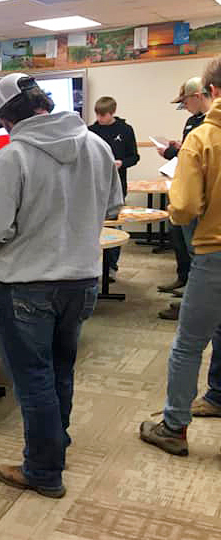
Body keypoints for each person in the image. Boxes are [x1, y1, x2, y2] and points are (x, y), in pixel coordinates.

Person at [0, 73, 122, 498]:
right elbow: (112, 206)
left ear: (5, 118)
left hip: (25, 284)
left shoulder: (12, 158)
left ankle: (42, 470)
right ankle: (56, 445)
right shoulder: (97, 145)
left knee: (32, 378)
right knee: (60, 369)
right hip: (83, 278)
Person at [140, 57, 221, 456]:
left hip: (214, 253)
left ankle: (173, 427)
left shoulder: (203, 138)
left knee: (189, 344)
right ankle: (219, 395)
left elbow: (186, 208)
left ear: (212, 91)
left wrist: (180, 202)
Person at [155, 77, 211, 320]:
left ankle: (193, 304)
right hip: (188, 190)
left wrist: (171, 152)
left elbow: (197, 159)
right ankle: (190, 293)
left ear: (198, 95)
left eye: (186, 101)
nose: (185, 106)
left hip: (198, 198)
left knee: (198, 253)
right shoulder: (194, 122)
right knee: (188, 249)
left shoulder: (210, 124)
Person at [88, 96, 140, 281]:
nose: (100, 118)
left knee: (113, 227)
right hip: (93, 187)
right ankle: (92, 265)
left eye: (104, 115)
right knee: (91, 226)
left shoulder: (125, 130)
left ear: (113, 112)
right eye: (98, 115)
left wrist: (121, 163)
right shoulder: (90, 131)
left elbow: (134, 157)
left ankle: (111, 266)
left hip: (117, 185)